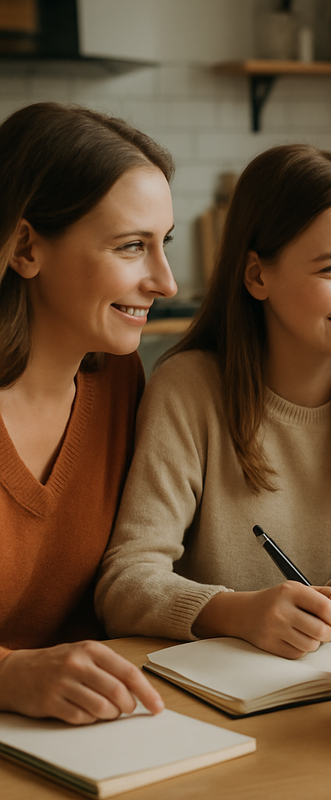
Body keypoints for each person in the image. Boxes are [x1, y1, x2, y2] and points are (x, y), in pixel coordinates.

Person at [95, 143, 331, 659]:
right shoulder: (188, 389)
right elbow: (126, 581)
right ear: (258, 275)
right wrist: (239, 612)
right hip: (216, 689)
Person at [0, 102, 177, 722]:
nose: (166, 281)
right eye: (132, 246)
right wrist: (8, 673)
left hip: (88, 728)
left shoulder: (119, 377)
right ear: (26, 246)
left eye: (164, 245)